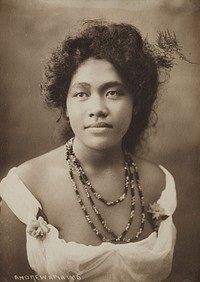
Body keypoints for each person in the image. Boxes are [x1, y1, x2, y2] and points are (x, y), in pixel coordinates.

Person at [0, 20, 183, 282]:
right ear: (64, 105)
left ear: (137, 103)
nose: (97, 107)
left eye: (113, 92)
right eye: (81, 94)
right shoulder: (26, 186)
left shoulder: (161, 183)